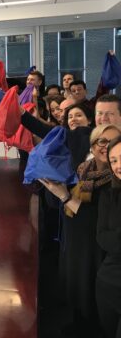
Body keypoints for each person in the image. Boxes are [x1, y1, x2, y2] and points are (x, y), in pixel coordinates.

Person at [40, 124, 121, 337]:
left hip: (96, 251)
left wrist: (65, 196)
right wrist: (55, 190)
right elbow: (60, 204)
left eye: (113, 142)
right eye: (101, 141)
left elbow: (94, 221)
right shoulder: (82, 170)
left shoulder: (114, 184)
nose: (107, 146)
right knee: (76, 290)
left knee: (93, 299)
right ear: (93, 147)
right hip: (74, 241)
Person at [96, 136, 121, 338]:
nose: (118, 165)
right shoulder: (109, 194)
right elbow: (102, 238)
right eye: (113, 161)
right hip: (108, 283)